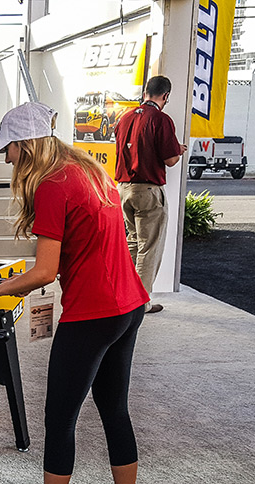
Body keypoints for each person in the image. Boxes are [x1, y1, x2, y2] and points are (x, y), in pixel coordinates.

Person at [0, 102, 149, 484]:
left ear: (26, 145)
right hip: (128, 306)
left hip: (92, 315)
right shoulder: (89, 170)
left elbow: (46, 272)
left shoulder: (51, 185)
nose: (6, 159)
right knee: (114, 409)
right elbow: (77, 250)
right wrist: (17, 284)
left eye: (8, 149)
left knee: (60, 418)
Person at [113, 75, 186, 314]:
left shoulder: (124, 118)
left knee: (132, 244)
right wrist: (179, 150)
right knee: (149, 247)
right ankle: (140, 302)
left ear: (145, 92)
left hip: (124, 188)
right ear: (165, 96)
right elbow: (170, 159)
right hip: (148, 190)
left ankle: (124, 296)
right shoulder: (161, 120)